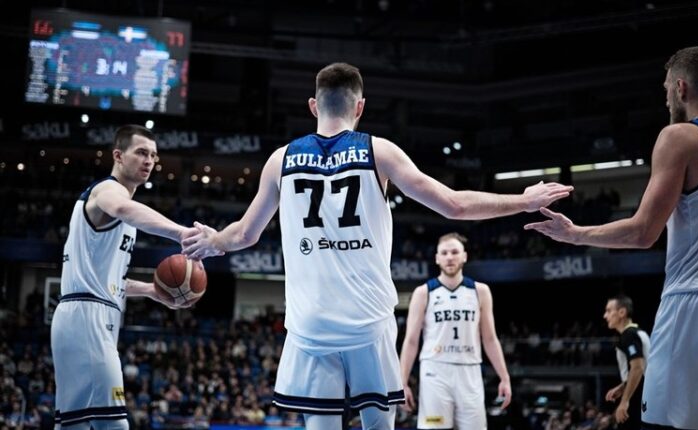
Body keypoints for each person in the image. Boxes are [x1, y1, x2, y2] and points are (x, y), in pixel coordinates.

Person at [182, 62, 573, 430]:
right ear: (360, 107)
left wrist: (213, 241)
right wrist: (523, 200)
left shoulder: (280, 160)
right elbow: (454, 205)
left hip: (310, 327)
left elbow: (244, 235)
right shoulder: (379, 151)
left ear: (314, 105)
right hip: (368, 324)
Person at [525, 46, 698, 429]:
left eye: (666, 89)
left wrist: (574, 234)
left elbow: (643, 232)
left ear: (680, 88)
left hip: (697, 304)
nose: (666, 99)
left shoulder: (680, 137)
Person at [51, 125, 198, 429]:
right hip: (87, 317)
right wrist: (182, 233)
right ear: (118, 155)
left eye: (153, 156)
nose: (149, 161)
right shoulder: (108, 192)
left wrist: (151, 290)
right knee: (114, 423)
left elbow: (109, 281)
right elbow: (122, 207)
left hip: (85, 313)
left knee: (73, 424)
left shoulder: (121, 212)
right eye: (141, 153)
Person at [399, 232, 511, 430]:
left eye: (454, 252)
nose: (449, 257)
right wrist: (402, 382)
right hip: (435, 371)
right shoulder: (423, 292)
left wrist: (504, 377)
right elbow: (411, 341)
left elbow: (490, 338)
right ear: (437, 258)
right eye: (444, 253)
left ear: (464, 256)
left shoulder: (480, 291)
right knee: (434, 427)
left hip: (470, 370)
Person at [602, 295, 649, 429]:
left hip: (639, 397)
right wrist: (623, 386)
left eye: (609, 311)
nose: (605, 316)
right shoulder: (638, 332)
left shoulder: (629, 335)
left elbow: (638, 368)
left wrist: (624, 401)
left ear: (622, 312)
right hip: (644, 394)